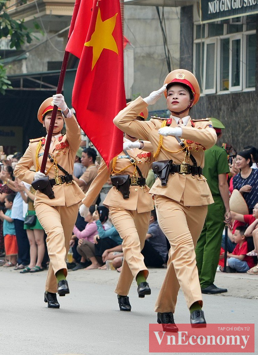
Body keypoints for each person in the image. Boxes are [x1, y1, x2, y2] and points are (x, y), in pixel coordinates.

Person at [114, 69, 216, 330]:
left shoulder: (200, 124)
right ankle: (195, 305)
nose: (174, 97)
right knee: (183, 248)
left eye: (181, 93)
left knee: (180, 254)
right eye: (170, 93)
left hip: (197, 195)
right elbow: (120, 121)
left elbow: (210, 138)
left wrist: (181, 133)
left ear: (191, 100)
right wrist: (146, 101)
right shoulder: (155, 125)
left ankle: (164, 307)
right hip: (167, 193)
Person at [79, 105, 156, 312]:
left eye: (137, 122)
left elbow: (161, 150)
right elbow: (100, 178)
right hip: (119, 202)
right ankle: (141, 276)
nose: (132, 126)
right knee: (130, 241)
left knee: (135, 248)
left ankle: (122, 292)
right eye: (129, 122)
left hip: (142, 202)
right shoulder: (113, 149)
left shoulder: (148, 146)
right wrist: (86, 203)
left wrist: (140, 142)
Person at [15, 95, 82, 309]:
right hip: (45, 197)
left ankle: (51, 289)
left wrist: (67, 111)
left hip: (69, 197)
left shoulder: (69, 142)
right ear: (43, 122)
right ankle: (62, 273)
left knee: (60, 243)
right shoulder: (35, 146)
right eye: (49, 118)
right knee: (54, 234)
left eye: (58, 118)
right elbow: (19, 169)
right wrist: (33, 176)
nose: (55, 121)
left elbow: (76, 132)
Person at [194, 117, 231, 295]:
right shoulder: (219, 152)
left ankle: (194, 279)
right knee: (213, 241)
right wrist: (228, 208)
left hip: (197, 202)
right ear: (219, 134)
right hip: (214, 201)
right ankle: (206, 281)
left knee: (200, 239)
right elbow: (223, 184)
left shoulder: (196, 151)